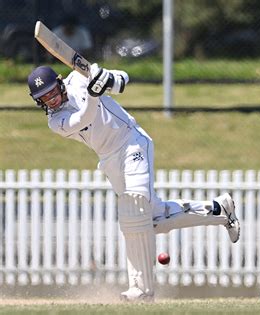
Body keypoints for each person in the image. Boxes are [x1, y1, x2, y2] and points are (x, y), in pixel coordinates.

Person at [27, 64, 240, 301]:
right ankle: (220, 210)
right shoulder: (55, 121)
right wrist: (95, 94)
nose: (51, 100)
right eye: (43, 98)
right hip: (109, 159)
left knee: (135, 208)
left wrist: (104, 78)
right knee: (153, 220)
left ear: (59, 83)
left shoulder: (79, 77)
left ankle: (141, 289)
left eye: (51, 92)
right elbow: (82, 118)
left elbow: (123, 80)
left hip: (131, 142)